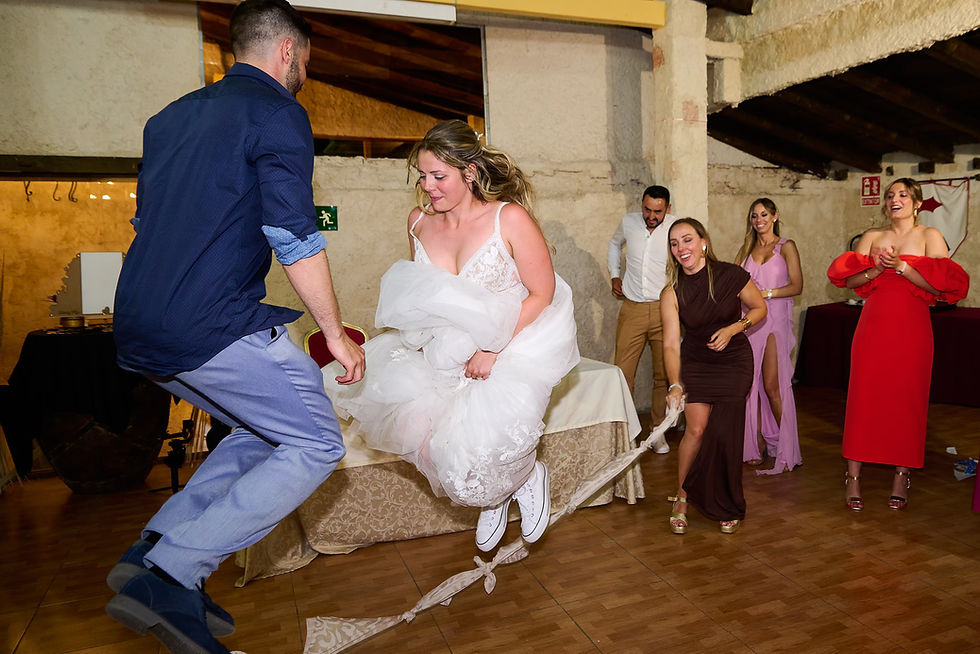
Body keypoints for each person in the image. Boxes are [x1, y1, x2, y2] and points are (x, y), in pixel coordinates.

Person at [105, 2, 366, 652]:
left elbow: (148, 228)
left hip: (139, 320)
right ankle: (173, 572)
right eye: (306, 59)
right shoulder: (278, 111)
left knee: (262, 429)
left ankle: (154, 553)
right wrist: (332, 332)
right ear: (287, 51)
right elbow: (294, 235)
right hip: (212, 320)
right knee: (316, 444)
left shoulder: (169, 120)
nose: (305, 71)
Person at [326, 119, 580, 553]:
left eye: (438, 176)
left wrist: (492, 347)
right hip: (440, 351)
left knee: (480, 456)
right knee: (438, 457)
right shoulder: (417, 222)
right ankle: (497, 495)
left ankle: (525, 475)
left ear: (470, 172)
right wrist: (422, 339)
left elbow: (543, 292)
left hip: (511, 344)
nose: (427, 186)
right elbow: (420, 295)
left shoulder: (509, 218)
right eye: (422, 176)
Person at [828, 178, 968, 511]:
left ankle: (901, 476)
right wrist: (876, 269)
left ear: (917, 202)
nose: (895, 199)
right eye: (890, 195)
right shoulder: (873, 237)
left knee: (907, 399)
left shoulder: (929, 236)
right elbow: (848, 281)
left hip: (913, 329)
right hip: (873, 327)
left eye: (903, 194)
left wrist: (903, 267)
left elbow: (940, 287)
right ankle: (854, 477)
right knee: (864, 397)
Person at [661, 218, 767, 535]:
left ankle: (725, 501)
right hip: (697, 362)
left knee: (724, 433)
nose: (681, 248)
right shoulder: (672, 291)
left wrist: (735, 328)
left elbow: (759, 308)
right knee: (695, 430)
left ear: (703, 241)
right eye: (674, 243)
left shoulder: (731, 275)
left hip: (734, 361)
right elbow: (669, 343)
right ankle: (682, 496)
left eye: (687, 240)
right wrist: (676, 384)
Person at [734, 198, 803, 474]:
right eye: (754, 215)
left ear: (775, 216)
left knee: (772, 384)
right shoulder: (746, 248)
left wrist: (766, 294)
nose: (758, 219)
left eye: (763, 214)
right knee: (749, 384)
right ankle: (755, 444)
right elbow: (734, 282)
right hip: (750, 320)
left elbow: (797, 286)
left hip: (774, 320)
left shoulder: (786, 246)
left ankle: (788, 446)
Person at [607, 185, 677, 453]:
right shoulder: (629, 222)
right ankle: (624, 432)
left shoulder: (676, 227)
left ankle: (657, 430)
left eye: (657, 211)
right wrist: (615, 273)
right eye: (647, 209)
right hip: (633, 308)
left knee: (664, 374)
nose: (651, 215)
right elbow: (614, 244)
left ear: (667, 209)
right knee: (622, 373)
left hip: (665, 310)